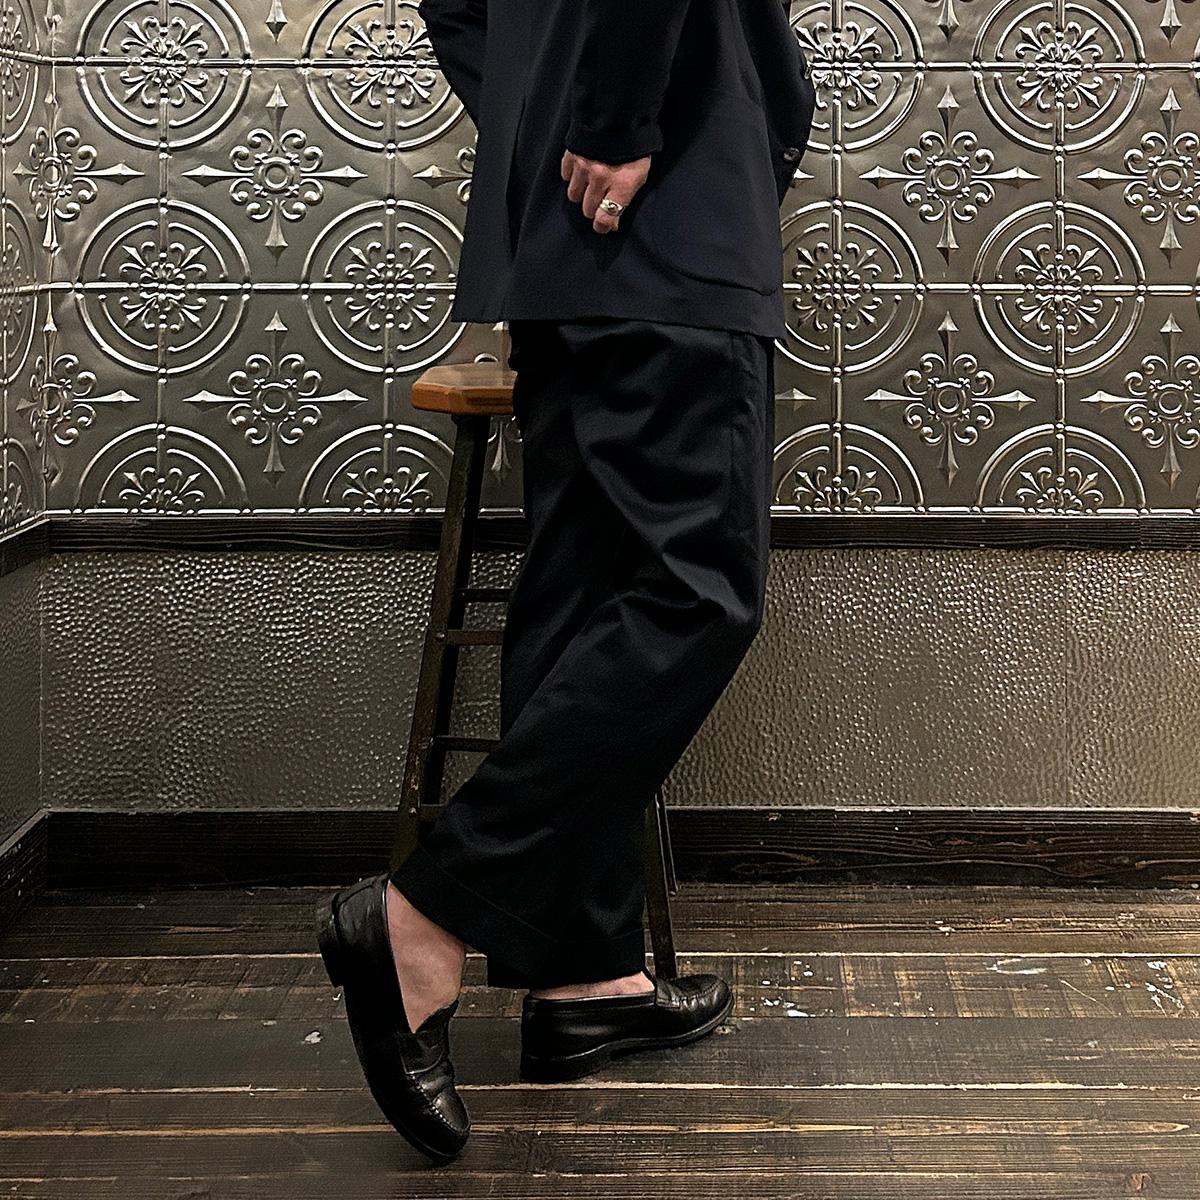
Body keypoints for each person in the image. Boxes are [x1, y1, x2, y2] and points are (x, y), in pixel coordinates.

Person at [315, 0, 816, 1165]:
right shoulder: (634, 149)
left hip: (559, 241)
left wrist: (553, 123)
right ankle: (426, 912)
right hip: (667, 213)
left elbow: (457, 6)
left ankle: (582, 974)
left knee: (584, 586)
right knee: (698, 592)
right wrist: (614, 123)